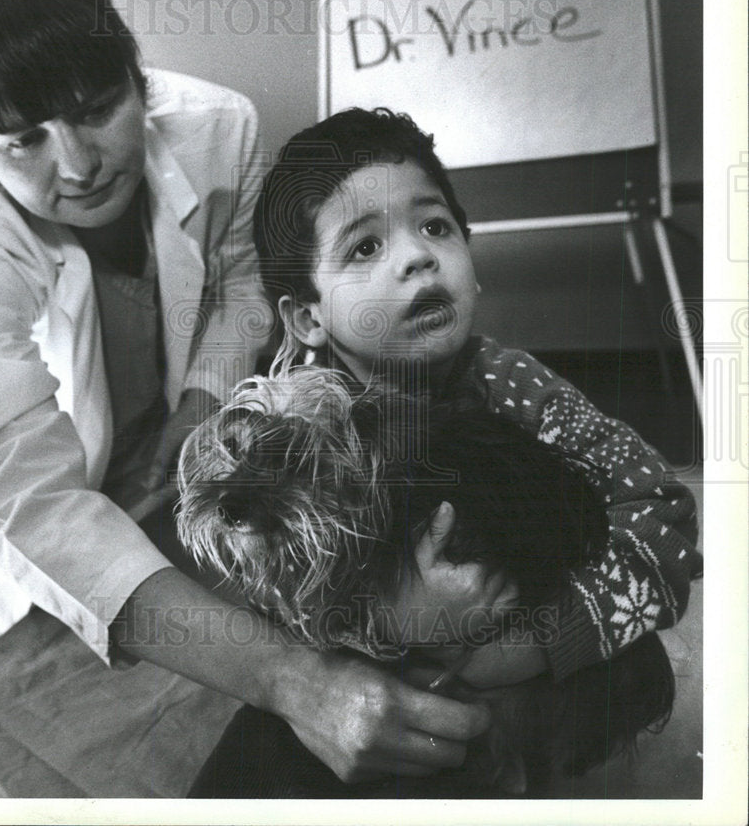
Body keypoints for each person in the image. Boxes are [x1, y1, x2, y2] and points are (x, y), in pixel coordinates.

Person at [0, 0, 496, 785]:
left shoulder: (221, 129)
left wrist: (199, 408)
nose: (78, 164)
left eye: (97, 108)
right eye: (22, 140)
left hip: (173, 430)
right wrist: (291, 681)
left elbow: (244, 282)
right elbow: (25, 495)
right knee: (64, 700)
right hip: (38, 482)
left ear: (137, 76)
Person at [250, 106, 702, 688]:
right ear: (308, 318)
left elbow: (664, 510)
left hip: (523, 652)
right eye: (364, 248)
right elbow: (269, 586)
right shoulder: (291, 434)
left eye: (435, 227)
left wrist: (537, 644)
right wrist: (395, 620)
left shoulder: (518, 390)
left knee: (637, 676)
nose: (418, 256)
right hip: (366, 685)